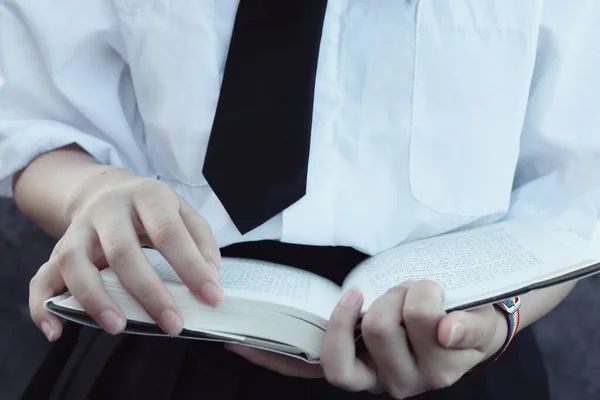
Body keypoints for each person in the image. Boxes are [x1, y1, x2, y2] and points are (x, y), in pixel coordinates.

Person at [1, 1, 599, 399]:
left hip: (454, 353)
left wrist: (499, 319)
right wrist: (92, 192)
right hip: (162, 330)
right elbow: (29, 117)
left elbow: (575, 197)